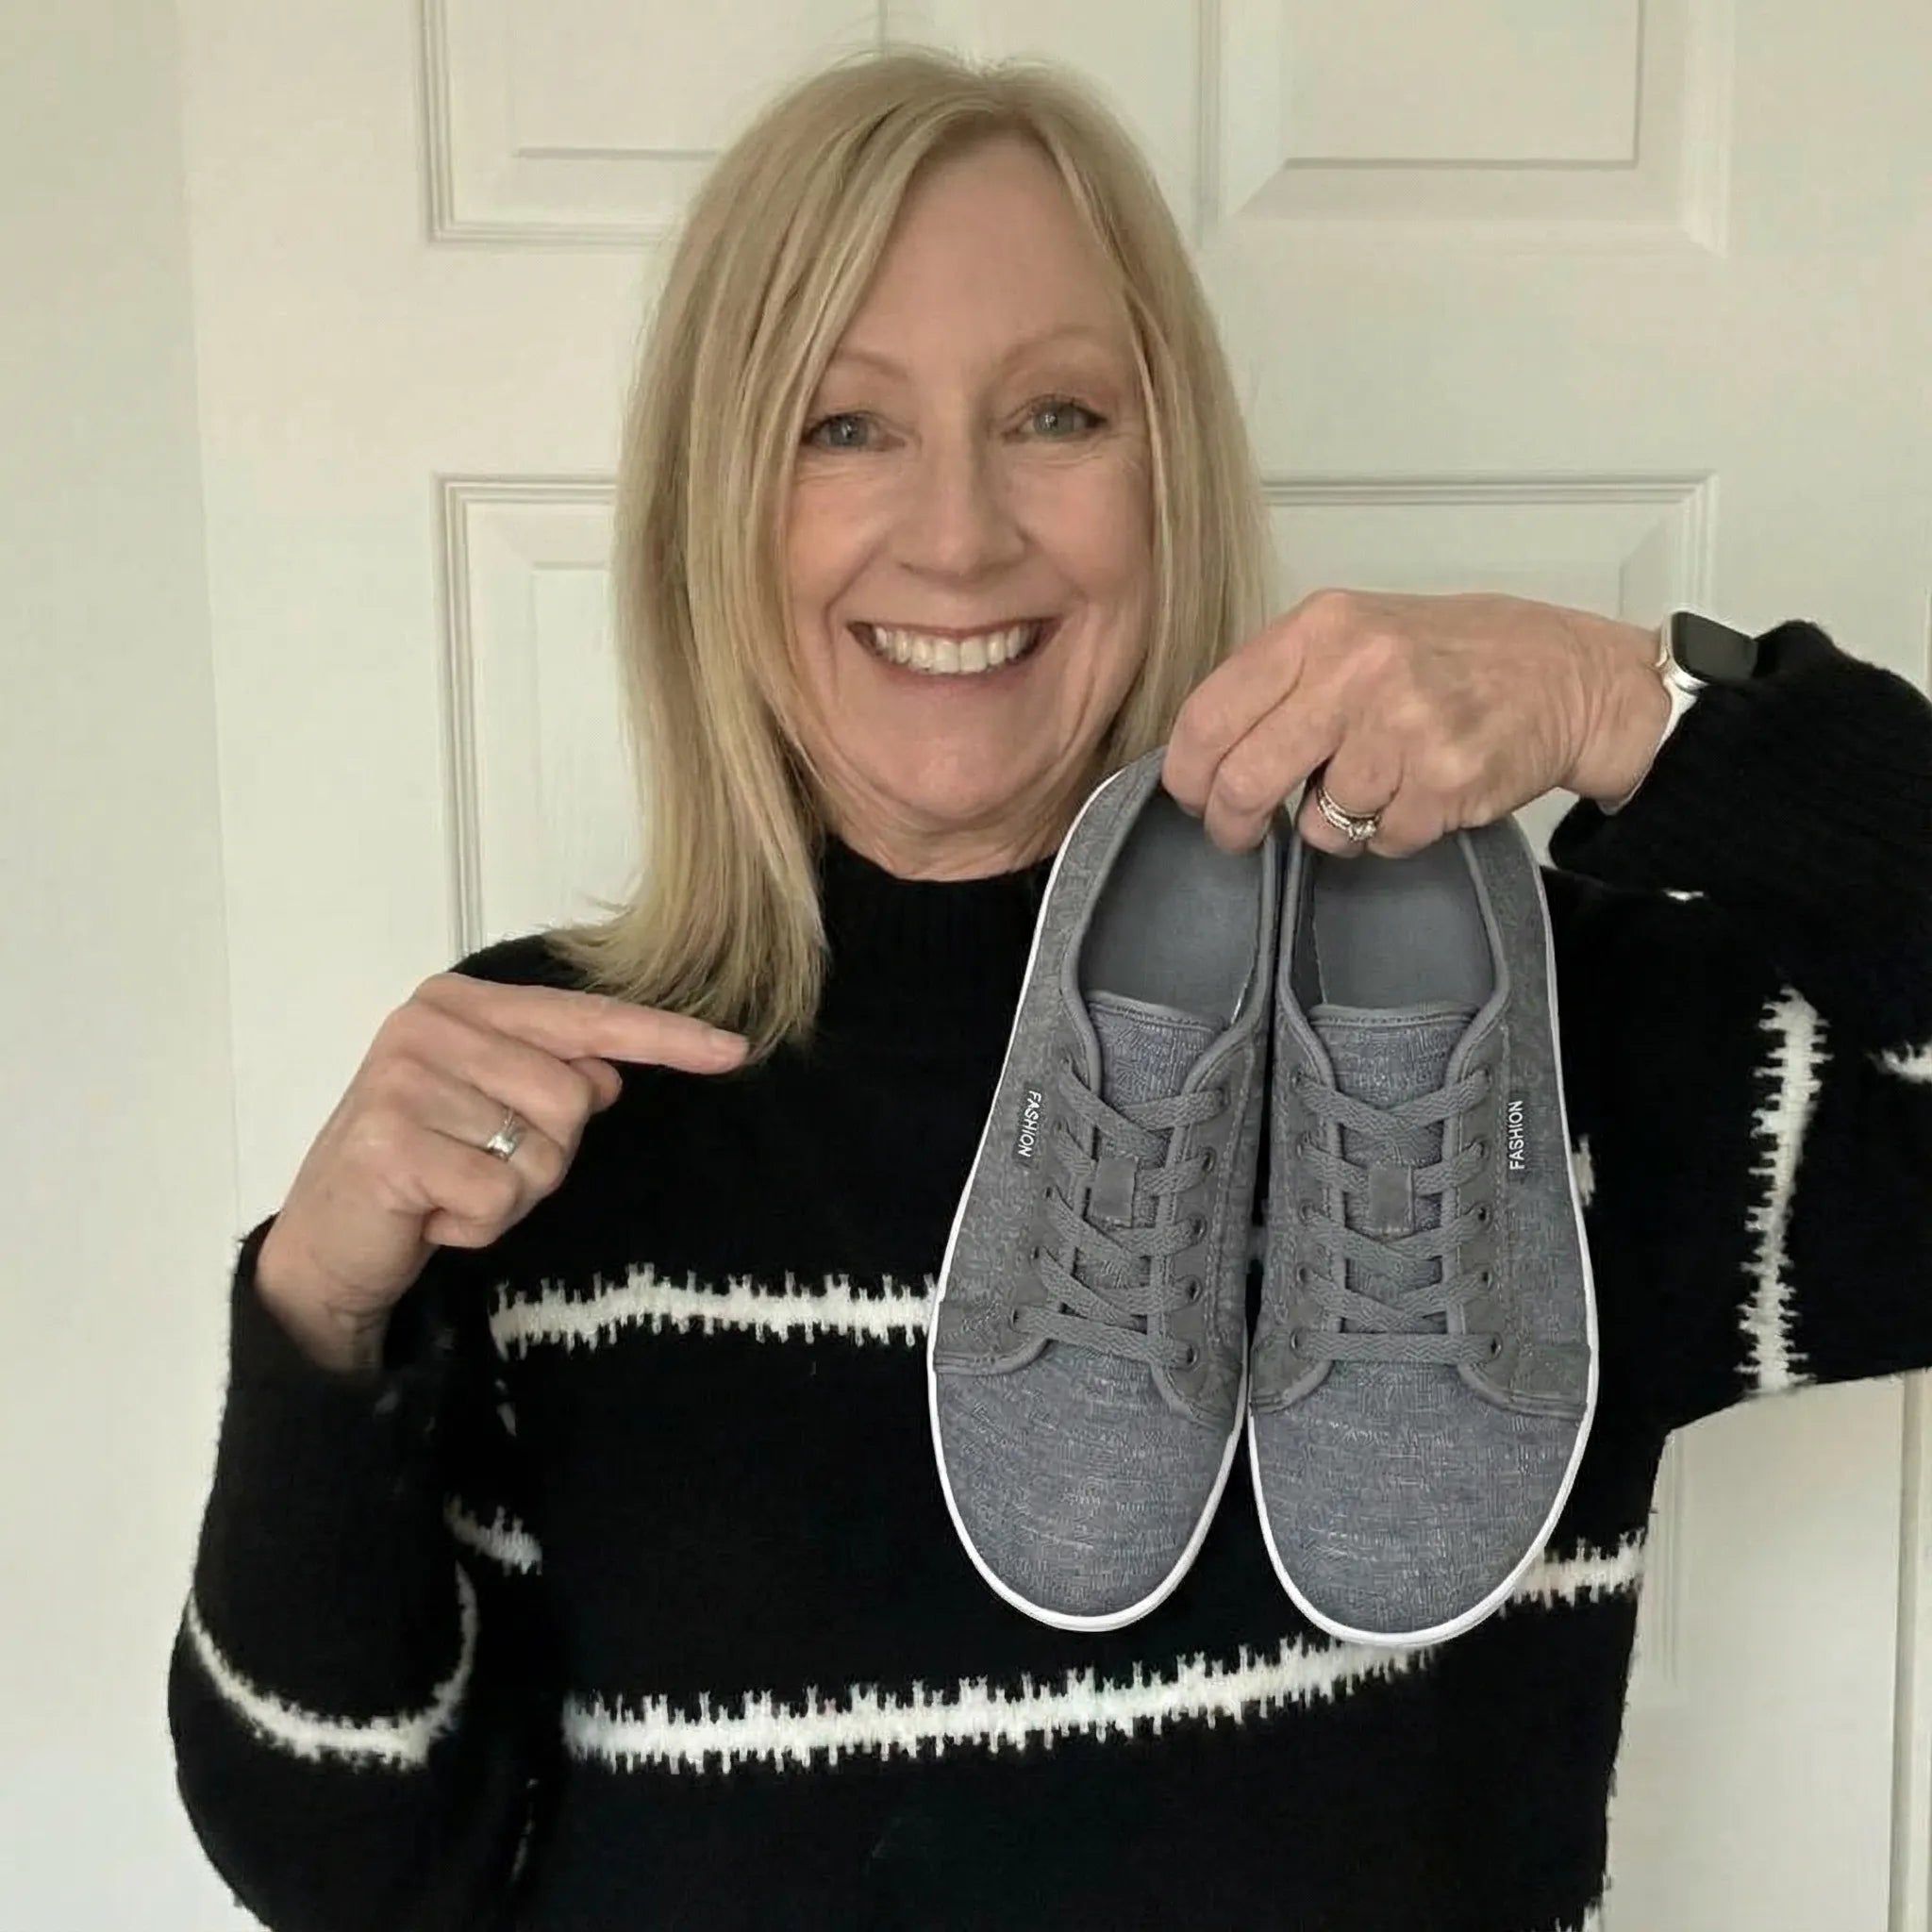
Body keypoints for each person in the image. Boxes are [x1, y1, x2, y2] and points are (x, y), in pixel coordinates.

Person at [167, 45, 1932, 1932]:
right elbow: (352, 1869)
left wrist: (1633, 704)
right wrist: (318, 1315)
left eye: (1056, 416)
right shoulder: (542, 1104)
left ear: (1168, 476)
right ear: (713, 508)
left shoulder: (1513, 1048)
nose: (958, 535)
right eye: (843, 427)